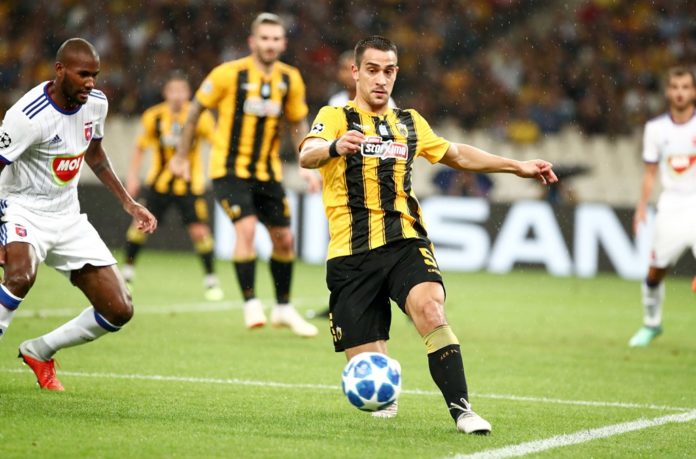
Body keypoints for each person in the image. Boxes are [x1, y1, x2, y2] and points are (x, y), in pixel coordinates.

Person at [299, 35, 557, 433]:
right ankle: (387, 374)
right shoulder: (335, 116)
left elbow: (456, 153)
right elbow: (307, 154)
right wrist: (334, 147)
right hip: (351, 254)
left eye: (388, 71)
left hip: (404, 240)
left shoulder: (410, 122)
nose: (381, 79)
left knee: (431, 309)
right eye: (372, 70)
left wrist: (516, 166)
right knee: (371, 375)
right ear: (355, 72)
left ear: (396, 73)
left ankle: (463, 410)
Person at [0, 38, 157, 390]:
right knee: (20, 277)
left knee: (119, 309)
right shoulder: (26, 117)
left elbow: (95, 154)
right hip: (22, 210)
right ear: (60, 71)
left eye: (95, 75)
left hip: (68, 217)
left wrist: (128, 202)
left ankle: (39, 351)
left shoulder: (96, 104)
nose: (90, 82)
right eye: (83, 74)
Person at [170, 12, 320, 337]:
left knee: (285, 239)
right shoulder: (228, 74)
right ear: (252, 42)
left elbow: (297, 122)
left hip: (268, 172)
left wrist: (306, 162)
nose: (270, 44)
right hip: (228, 170)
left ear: (283, 43)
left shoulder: (290, 79)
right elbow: (195, 110)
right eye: (264, 38)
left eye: (276, 39)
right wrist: (181, 155)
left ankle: (283, 308)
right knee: (247, 228)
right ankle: (251, 302)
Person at [122, 72, 223, 301]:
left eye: (181, 91)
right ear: (165, 93)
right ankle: (127, 274)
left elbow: (217, 143)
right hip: (158, 185)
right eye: (173, 90)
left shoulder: (200, 117)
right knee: (139, 226)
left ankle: (211, 280)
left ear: (188, 93)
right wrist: (132, 177)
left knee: (199, 232)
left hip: (190, 186)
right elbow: (140, 147)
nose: (177, 95)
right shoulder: (154, 116)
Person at [629, 65, 696, 347]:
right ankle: (651, 324)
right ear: (668, 92)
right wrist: (641, 207)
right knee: (655, 271)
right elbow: (650, 173)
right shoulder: (655, 129)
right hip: (670, 205)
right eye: (675, 87)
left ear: (693, 91)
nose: (680, 93)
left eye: (686, 87)